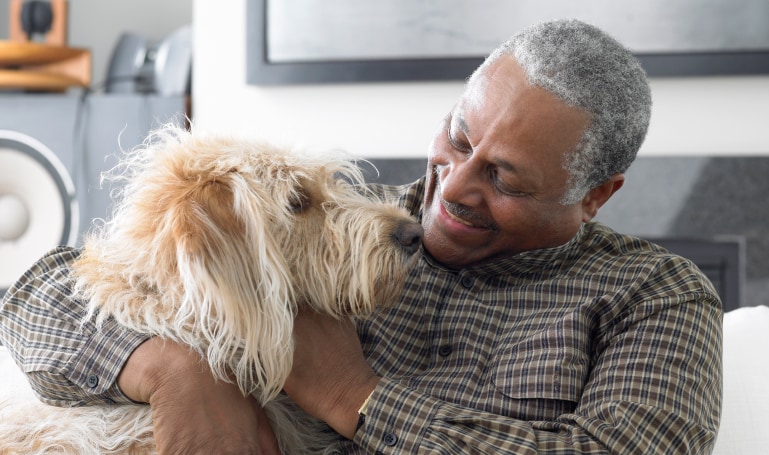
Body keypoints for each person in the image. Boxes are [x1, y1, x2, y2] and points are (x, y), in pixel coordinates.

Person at [0, 19, 722, 454]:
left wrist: (355, 394)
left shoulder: (653, 296)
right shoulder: (333, 223)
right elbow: (40, 294)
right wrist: (172, 370)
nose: (454, 186)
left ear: (595, 194)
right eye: (458, 135)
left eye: (505, 179)